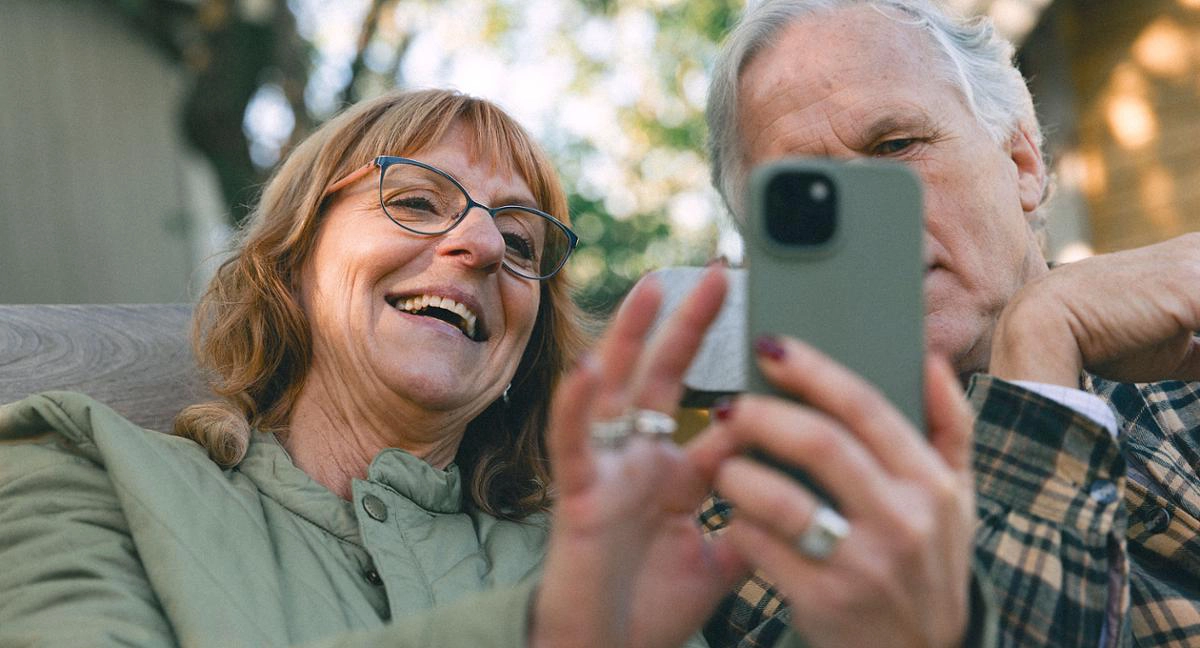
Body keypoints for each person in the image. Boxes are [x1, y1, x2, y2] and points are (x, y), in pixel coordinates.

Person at [0, 87, 978, 647]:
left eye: (519, 241)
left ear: (521, 351)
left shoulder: (607, 557)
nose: (477, 247)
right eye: (418, 202)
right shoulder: (83, 470)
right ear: (292, 263)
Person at [698, 0, 1200, 646]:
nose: (868, 231)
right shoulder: (749, 517)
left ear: (1022, 161)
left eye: (896, 146)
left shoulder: (1182, 348)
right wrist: (1039, 347)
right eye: (807, 193)